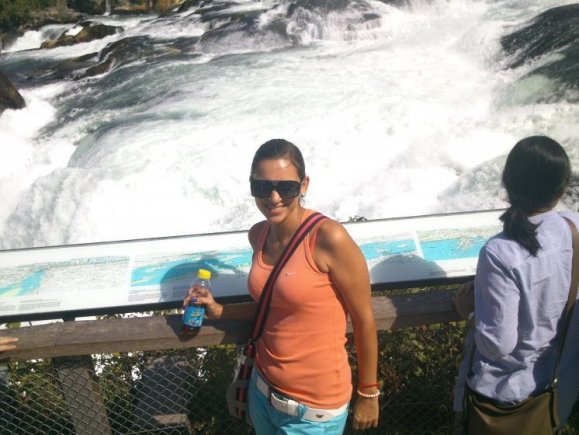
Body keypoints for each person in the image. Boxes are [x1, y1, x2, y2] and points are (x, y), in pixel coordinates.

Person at [185, 139, 380, 433]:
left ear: (304, 185)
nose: (273, 197)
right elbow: (274, 307)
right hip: (261, 391)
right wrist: (218, 310)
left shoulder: (329, 238)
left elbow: (364, 320)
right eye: (262, 187)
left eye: (286, 187)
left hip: (313, 411)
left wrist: (368, 392)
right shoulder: (259, 235)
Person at [453, 135, 579, 429]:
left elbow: (498, 345)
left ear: (507, 183)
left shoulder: (499, 252)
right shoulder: (573, 227)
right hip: (560, 385)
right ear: (562, 188)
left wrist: (468, 314)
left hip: (505, 399)